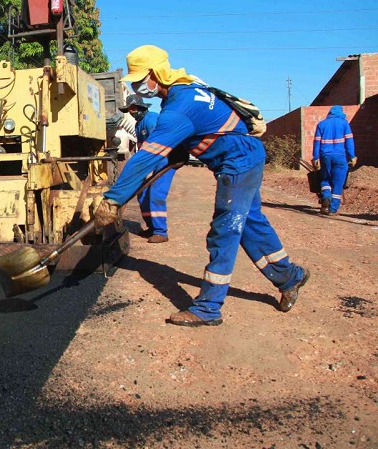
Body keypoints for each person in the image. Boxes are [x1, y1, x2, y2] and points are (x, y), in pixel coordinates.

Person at [93, 45, 309, 327]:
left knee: (225, 229)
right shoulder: (186, 90)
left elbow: (145, 157)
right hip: (244, 155)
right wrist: (181, 151)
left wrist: (113, 198)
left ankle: (208, 308)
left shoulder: (178, 108)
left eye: (139, 79)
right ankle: (290, 277)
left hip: (238, 161)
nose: (136, 87)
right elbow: (200, 130)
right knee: (249, 223)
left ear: (157, 73)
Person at [119, 94, 175, 244]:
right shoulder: (139, 125)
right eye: (129, 110)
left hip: (164, 160)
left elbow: (160, 144)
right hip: (152, 161)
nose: (131, 112)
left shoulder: (151, 120)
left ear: (141, 108)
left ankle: (161, 232)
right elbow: (143, 149)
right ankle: (151, 227)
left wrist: (150, 168)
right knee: (142, 193)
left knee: (156, 193)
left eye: (133, 109)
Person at [312, 105, 357, 216]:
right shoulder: (344, 123)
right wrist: (352, 156)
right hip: (340, 156)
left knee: (325, 178)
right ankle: (333, 209)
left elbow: (316, 143)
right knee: (338, 182)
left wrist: (315, 157)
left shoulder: (321, 124)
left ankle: (326, 196)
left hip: (325, 156)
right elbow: (349, 142)